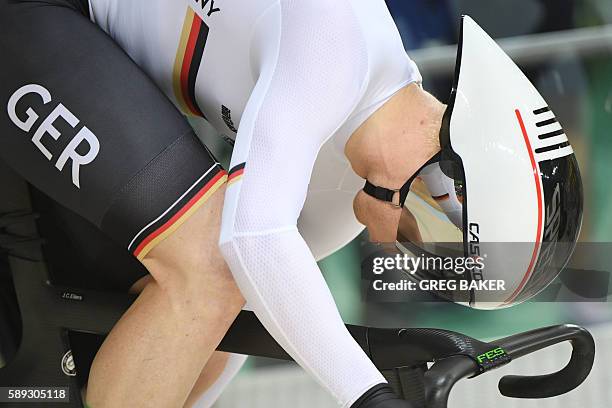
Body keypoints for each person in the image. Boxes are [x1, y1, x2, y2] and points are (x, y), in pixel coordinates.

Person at [0, 0, 582, 407]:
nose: (396, 254)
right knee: (207, 267)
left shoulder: (347, 171)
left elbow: (259, 295)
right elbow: (250, 244)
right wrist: (367, 393)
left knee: (206, 287)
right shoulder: (337, 37)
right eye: (426, 252)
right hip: (42, 14)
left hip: (92, 42)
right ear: (445, 189)